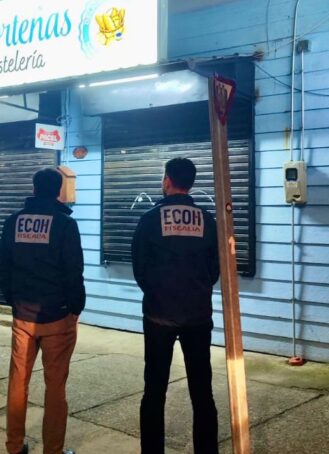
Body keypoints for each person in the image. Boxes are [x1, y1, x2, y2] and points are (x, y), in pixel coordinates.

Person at [131, 157, 220, 454]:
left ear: (167, 180)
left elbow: (139, 266)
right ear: (191, 183)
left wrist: (156, 292)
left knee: (154, 391)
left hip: (159, 316)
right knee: (202, 391)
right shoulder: (207, 220)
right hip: (198, 316)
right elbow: (215, 268)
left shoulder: (150, 219)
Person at [0, 167, 86, 454]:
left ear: (34, 189)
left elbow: (1, 267)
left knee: (18, 381)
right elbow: (74, 271)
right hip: (58, 316)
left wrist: (14, 301)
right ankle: (53, 450)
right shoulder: (65, 224)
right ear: (58, 191)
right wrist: (75, 308)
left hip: (23, 315)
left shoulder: (13, 222)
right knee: (55, 387)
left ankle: (14, 446)